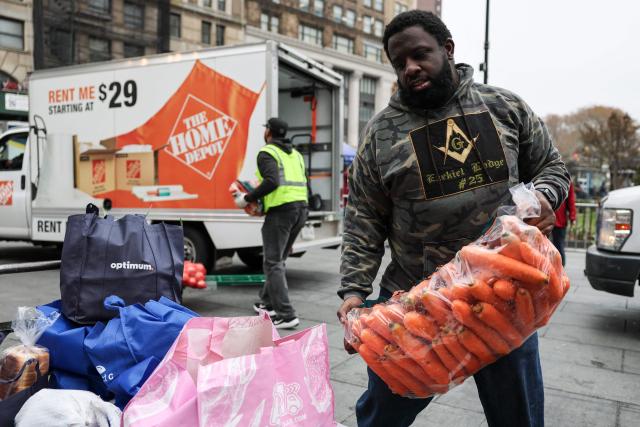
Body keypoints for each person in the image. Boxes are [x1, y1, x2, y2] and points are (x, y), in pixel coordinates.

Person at [336, 10, 570, 427]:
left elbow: (553, 167)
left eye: (420, 54)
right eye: (399, 62)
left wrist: (542, 197)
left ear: (447, 50)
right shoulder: (381, 133)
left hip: (505, 300)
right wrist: (353, 292)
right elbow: (363, 218)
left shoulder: (504, 106)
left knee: (519, 417)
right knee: (381, 418)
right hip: (417, 311)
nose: (410, 68)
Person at [233, 118, 308, 329]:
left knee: (273, 263)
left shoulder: (267, 152)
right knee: (278, 261)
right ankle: (266, 304)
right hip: (301, 209)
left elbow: (272, 181)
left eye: (266, 128)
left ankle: (286, 314)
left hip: (282, 212)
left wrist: (247, 199)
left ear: (269, 132)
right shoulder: (295, 154)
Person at [552, 181, 577, 265]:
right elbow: (571, 201)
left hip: (559, 221)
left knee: (558, 246)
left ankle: (560, 268)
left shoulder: (567, 181)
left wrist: (572, 217)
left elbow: (571, 200)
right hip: (552, 219)